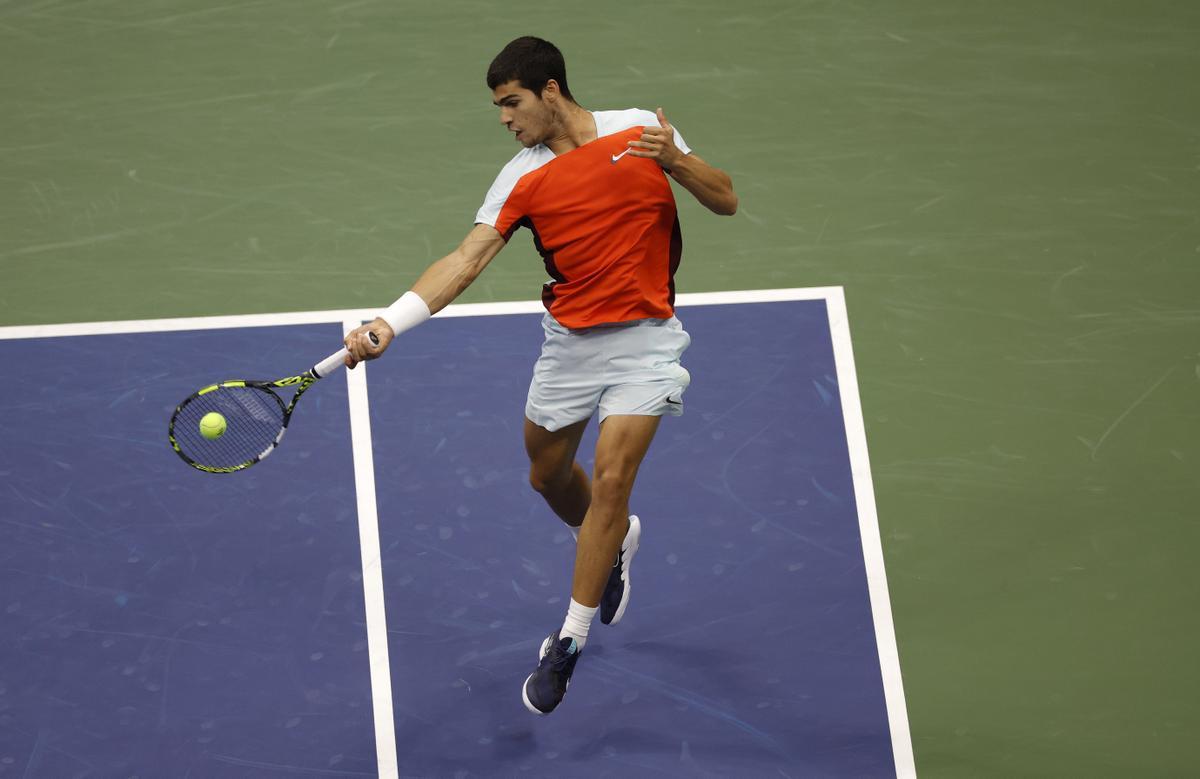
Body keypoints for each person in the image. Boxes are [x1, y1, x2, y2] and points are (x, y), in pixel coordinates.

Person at [343, 36, 736, 715]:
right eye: (499, 106)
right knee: (548, 474)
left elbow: (725, 198)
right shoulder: (519, 177)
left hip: (647, 341)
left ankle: (570, 642)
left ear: (551, 90)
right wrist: (389, 322)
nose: (505, 117)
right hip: (570, 347)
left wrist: (675, 158)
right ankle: (615, 543)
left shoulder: (642, 131)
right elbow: (465, 259)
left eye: (511, 102)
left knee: (612, 478)